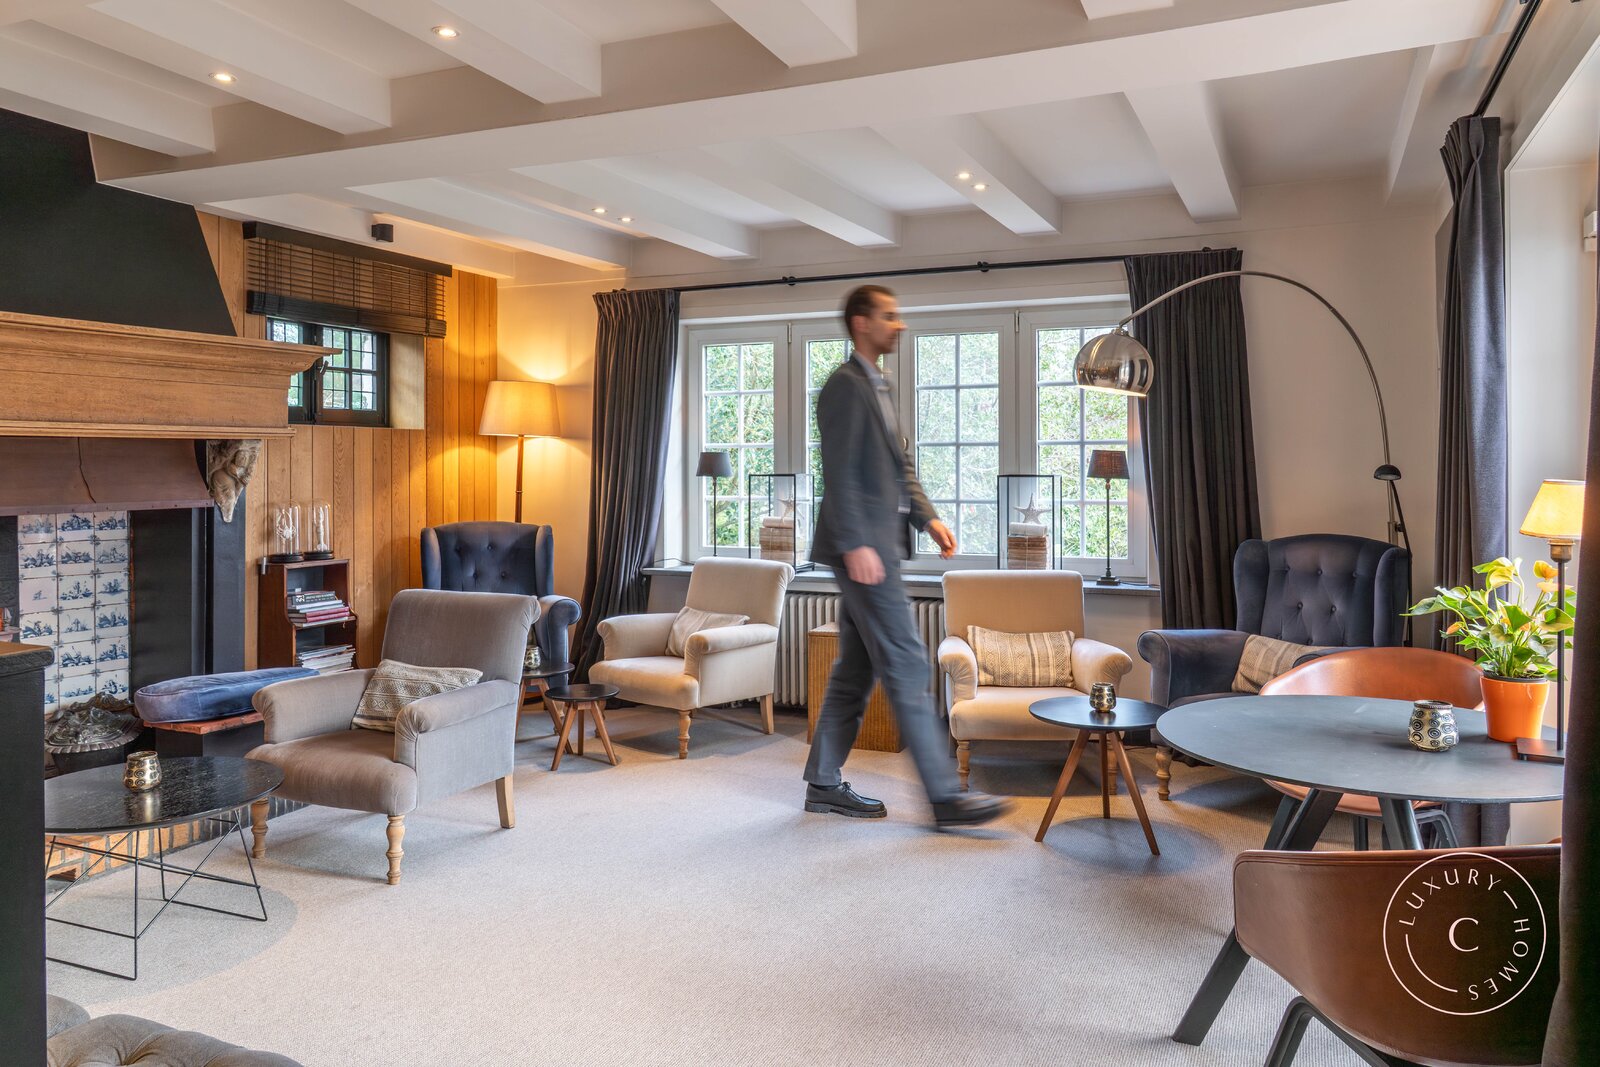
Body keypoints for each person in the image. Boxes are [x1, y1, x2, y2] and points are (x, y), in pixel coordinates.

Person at [802, 285, 1012, 829]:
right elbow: (838, 471)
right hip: (863, 551)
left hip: (877, 548)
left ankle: (822, 783)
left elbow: (901, 467)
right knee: (908, 661)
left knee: (856, 669)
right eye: (889, 316)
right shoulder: (845, 386)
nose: (900, 325)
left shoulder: (880, 385)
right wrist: (856, 544)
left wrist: (928, 517)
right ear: (861, 323)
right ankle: (945, 798)